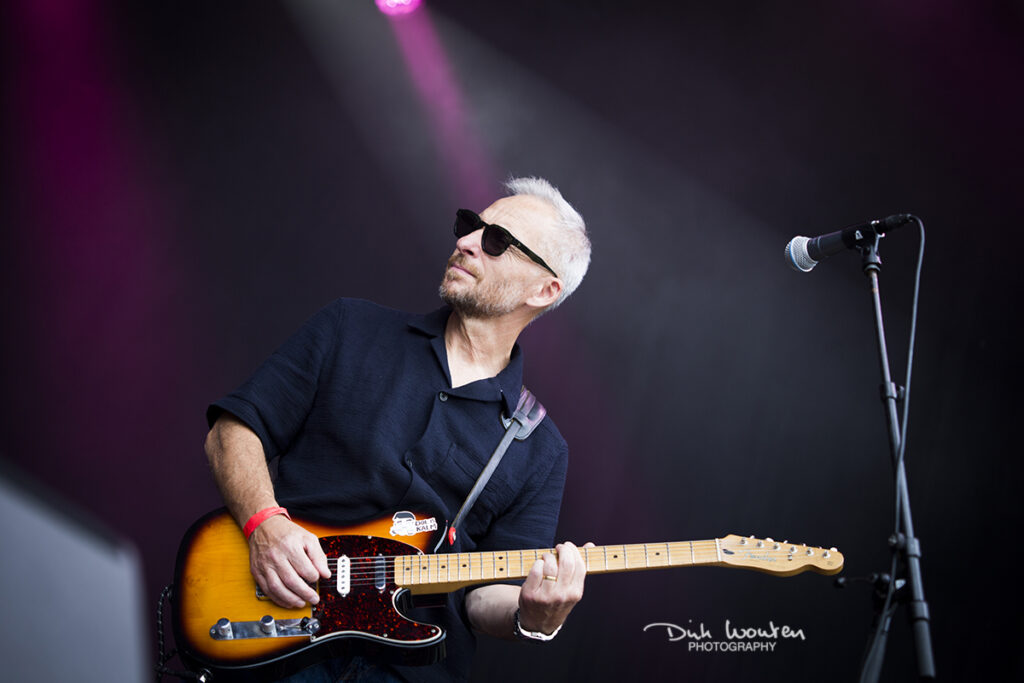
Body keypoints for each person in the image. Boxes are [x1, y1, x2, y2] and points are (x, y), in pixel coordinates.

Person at [204, 177, 592, 681]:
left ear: (544, 290)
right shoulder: (349, 327)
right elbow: (233, 430)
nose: (466, 241)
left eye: (497, 241)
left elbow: (484, 596)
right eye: (470, 225)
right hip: (276, 633)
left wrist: (532, 617)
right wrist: (264, 524)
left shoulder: (541, 447)